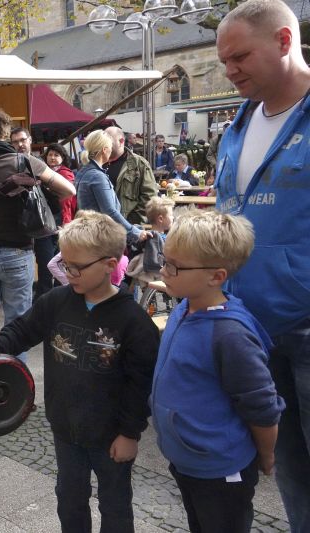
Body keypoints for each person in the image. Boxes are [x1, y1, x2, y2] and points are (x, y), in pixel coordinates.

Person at [0, 210, 159, 533]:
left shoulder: (134, 321)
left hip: (111, 434)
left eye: (76, 267)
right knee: (69, 499)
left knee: (115, 505)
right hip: (65, 428)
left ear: (110, 265)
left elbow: (141, 384)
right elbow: (23, 328)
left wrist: (130, 433)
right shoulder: (56, 301)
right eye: (65, 263)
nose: (68, 272)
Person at [215, 1, 310, 530]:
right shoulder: (239, 124)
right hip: (255, 326)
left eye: (240, 57)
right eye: (223, 62)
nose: (230, 71)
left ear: (283, 41)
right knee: (288, 467)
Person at [151, 209, 285, 532]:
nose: (164, 270)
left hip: (221, 473)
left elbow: (262, 407)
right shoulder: (185, 308)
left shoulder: (230, 335)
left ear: (216, 276)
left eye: (174, 266)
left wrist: (266, 455)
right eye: (165, 260)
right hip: (187, 461)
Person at [0, 107, 75, 402]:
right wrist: (37, 185)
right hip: (16, 252)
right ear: (5, 133)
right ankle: (15, 399)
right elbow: (68, 189)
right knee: (17, 326)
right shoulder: (24, 162)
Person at [10, 128, 65, 299]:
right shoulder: (11, 165)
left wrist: (58, 222)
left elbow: (61, 195)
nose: (20, 144)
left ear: (30, 140)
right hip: (20, 225)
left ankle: (46, 300)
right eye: (15, 142)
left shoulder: (41, 165)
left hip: (43, 224)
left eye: (22, 140)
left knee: (47, 265)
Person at [75, 130, 147, 245]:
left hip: (90, 234)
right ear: (104, 150)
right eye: (110, 147)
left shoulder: (84, 172)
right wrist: (135, 232)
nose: (111, 151)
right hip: (99, 237)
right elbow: (110, 211)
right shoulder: (97, 176)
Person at [105, 126, 158, 225]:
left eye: (108, 141)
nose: (105, 145)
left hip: (129, 226)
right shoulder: (99, 163)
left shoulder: (139, 164)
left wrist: (132, 222)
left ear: (121, 141)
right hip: (103, 226)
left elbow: (150, 197)